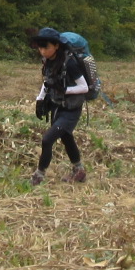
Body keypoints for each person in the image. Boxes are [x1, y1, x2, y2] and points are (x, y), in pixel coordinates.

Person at [29, 26, 90, 185]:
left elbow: (84, 87)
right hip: (57, 106)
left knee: (47, 140)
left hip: (71, 109)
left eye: (46, 47)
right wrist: (40, 99)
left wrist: (65, 90)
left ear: (56, 45)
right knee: (66, 137)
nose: (42, 51)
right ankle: (79, 171)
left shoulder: (69, 64)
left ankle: (39, 175)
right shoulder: (48, 61)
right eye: (40, 48)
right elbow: (47, 82)